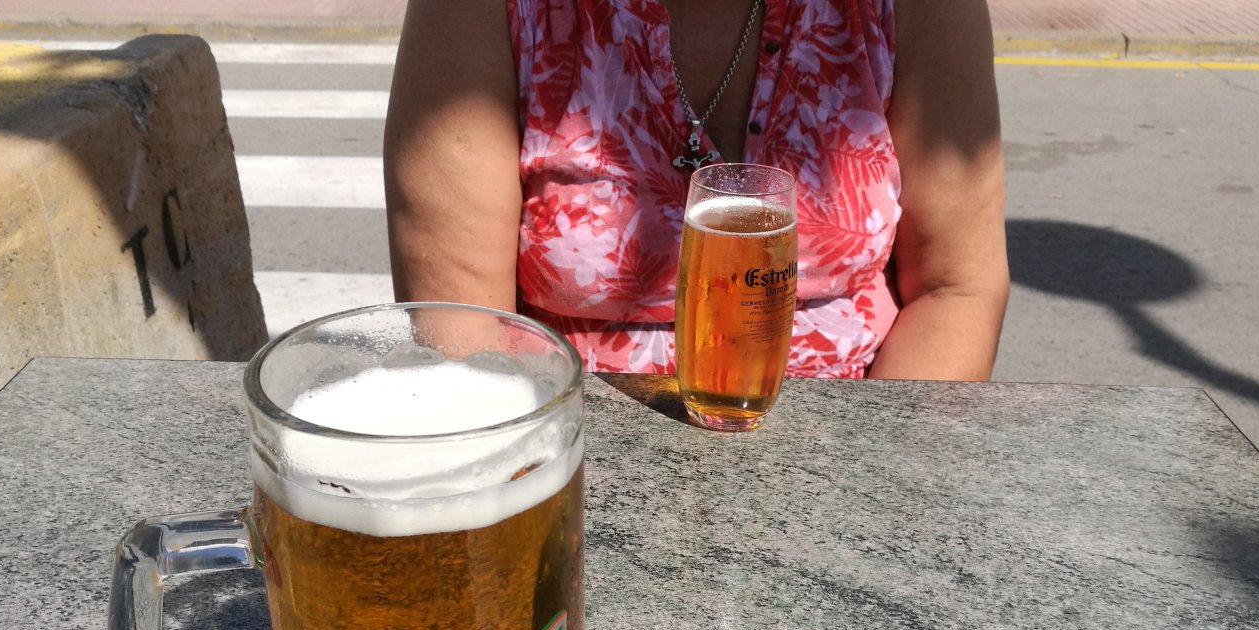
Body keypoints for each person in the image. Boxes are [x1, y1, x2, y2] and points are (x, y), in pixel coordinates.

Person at [385, 0, 1008, 381]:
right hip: (570, 457)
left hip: (856, 452)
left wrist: (878, 487)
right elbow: (462, 334)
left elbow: (957, 288)